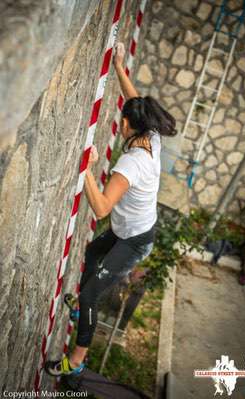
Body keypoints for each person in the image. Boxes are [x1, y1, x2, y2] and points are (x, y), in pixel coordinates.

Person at [44, 42, 177, 376]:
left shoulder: (132, 164)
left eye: (122, 121)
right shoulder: (151, 135)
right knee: (91, 253)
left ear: (129, 126)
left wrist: (86, 167)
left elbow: (101, 207)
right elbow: (135, 102)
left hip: (134, 240)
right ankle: (81, 311)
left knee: (90, 295)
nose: (120, 124)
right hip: (126, 230)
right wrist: (119, 66)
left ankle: (74, 363)